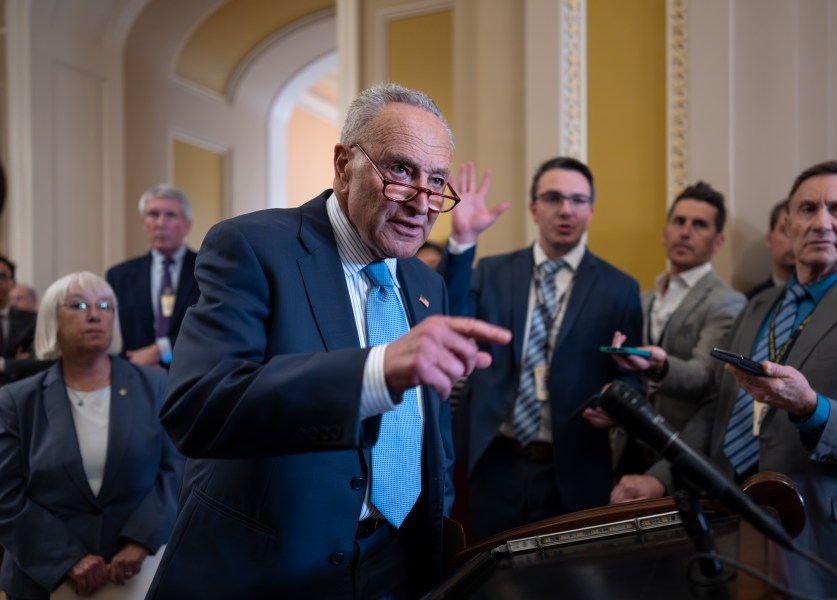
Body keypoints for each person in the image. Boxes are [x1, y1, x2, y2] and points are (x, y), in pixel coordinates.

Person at [145, 83, 511, 600]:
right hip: (268, 569)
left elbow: (433, 437)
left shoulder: (428, 284)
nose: (422, 203)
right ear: (343, 165)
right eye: (401, 172)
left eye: (436, 182)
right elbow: (198, 406)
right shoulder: (251, 246)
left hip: (395, 565)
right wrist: (374, 373)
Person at [613, 160, 837, 598]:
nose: (821, 222)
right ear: (788, 223)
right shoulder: (757, 307)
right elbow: (722, 411)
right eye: (807, 209)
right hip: (738, 538)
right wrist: (664, 477)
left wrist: (812, 408)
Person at [441, 157, 643, 540]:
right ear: (534, 208)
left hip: (575, 469)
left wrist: (615, 403)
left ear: (591, 210)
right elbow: (445, 317)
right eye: (553, 198)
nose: (566, 209)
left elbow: (630, 378)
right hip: (495, 463)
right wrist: (463, 242)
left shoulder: (620, 289)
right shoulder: (492, 272)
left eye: (578, 200)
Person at [0, 271, 183, 600]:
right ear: (50, 318)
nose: (95, 314)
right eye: (79, 305)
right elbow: (5, 496)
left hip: (137, 572)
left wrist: (142, 539)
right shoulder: (15, 401)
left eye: (105, 305)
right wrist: (66, 558)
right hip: (44, 579)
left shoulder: (155, 386)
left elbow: (177, 470)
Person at [599, 181, 745, 498]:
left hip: (685, 462)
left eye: (699, 225)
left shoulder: (727, 303)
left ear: (718, 241)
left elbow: (707, 378)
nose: (685, 232)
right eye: (679, 222)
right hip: (629, 455)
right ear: (666, 232)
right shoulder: (643, 299)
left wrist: (660, 366)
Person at [106, 184, 200, 367]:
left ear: (187, 225)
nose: (160, 223)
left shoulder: (206, 271)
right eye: (153, 214)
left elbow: (209, 328)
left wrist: (161, 351)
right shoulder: (119, 276)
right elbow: (114, 335)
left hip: (191, 374)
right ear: (144, 224)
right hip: (135, 375)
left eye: (170, 215)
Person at [0, 257, 41, 386]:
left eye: (2, 276)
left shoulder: (31, 321)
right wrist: (15, 363)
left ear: (13, 282)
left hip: (18, 393)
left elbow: (40, 359)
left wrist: (4, 364)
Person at [745, 198, 795, 299]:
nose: (793, 240)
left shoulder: (828, 299)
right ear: (769, 239)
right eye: (785, 231)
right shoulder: (750, 302)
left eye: (798, 231)